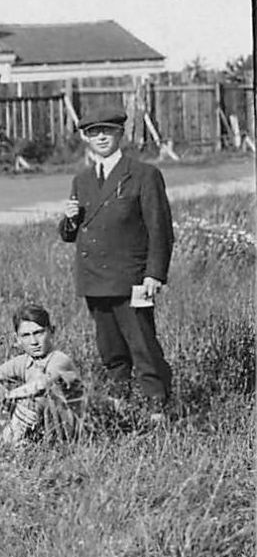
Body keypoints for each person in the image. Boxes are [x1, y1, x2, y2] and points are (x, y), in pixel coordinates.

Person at [58, 103, 175, 412]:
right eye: (93, 132)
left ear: (121, 133)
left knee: (143, 345)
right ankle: (119, 403)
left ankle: (156, 406)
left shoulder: (143, 175)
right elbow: (70, 234)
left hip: (132, 279)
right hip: (95, 278)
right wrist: (69, 219)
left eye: (107, 131)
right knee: (110, 348)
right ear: (85, 138)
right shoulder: (81, 180)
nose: (100, 137)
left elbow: (160, 229)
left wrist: (154, 274)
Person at [0, 303, 82, 445]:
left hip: (71, 428)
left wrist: (8, 396)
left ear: (52, 331)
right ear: (17, 339)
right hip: (42, 424)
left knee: (33, 400)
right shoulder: (24, 361)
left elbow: (41, 385)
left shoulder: (59, 359)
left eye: (39, 333)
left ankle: (8, 444)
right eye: (26, 335)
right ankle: (17, 440)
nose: (33, 342)